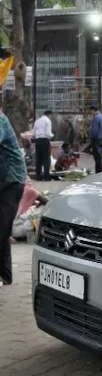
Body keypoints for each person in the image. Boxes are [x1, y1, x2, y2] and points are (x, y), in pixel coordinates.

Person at [0, 102, 27, 286]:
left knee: (2, 229)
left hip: (12, 181)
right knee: (2, 229)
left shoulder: (0, 120)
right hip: (4, 181)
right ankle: (5, 275)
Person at [32, 109, 53, 180]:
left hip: (37, 141)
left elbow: (34, 133)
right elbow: (48, 133)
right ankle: (46, 177)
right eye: (51, 116)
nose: (51, 117)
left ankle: (38, 176)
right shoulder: (48, 121)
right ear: (49, 115)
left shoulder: (37, 121)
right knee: (46, 159)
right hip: (45, 141)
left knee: (38, 159)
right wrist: (52, 136)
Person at [89, 105, 102, 173]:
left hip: (96, 139)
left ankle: (98, 171)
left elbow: (94, 130)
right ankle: (100, 170)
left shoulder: (96, 118)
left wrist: (91, 139)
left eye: (91, 111)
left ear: (93, 110)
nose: (91, 113)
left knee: (97, 156)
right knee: (100, 155)